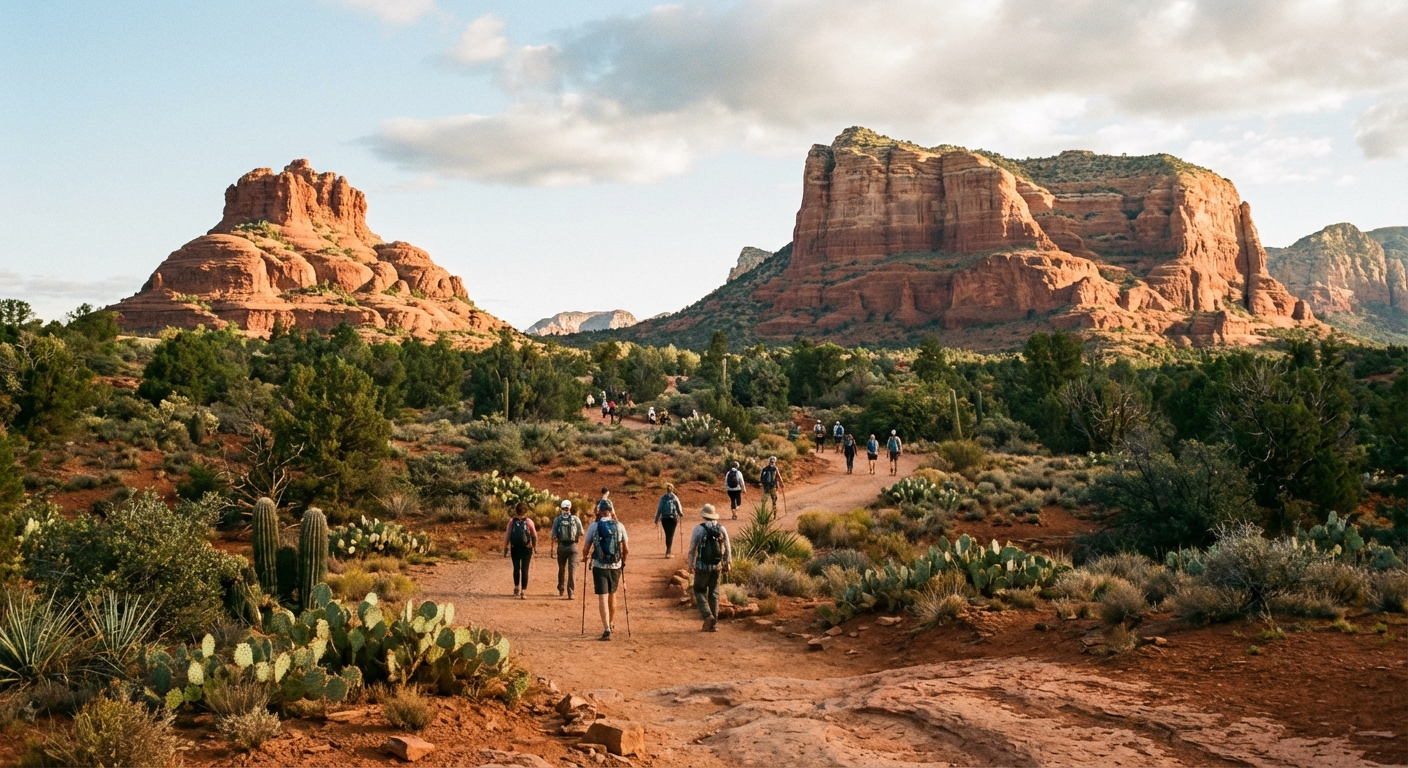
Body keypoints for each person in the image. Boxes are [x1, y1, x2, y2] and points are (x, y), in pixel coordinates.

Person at [583, 505, 629, 641]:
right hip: (616, 566)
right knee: (612, 594)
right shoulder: (619, 525)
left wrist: (584, 557)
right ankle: (611, 622)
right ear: (611, 513)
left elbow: (586, 548)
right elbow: (626, 549)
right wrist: (623, 563)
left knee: (602, 596)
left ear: (599, 513)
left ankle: (606, 628)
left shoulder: (594, 526)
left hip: (599, 565)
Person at [687, 504, 732, 632]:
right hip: (716, 566)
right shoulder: (721, 529)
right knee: (714, 593)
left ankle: (708, 616)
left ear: (704, 516)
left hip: (702, 565)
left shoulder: (699, 529)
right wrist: (727, 563)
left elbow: (692, 549)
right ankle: (714, 623)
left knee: (699, 590)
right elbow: (727, 547)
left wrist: (691, 565)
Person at [502, 502, 537, 599]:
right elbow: (534, 535)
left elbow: (507, 535)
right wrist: (534, 547)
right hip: (526, 549)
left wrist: (505, 548)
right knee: (525, 569)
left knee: (516, 568)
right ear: (526, 511)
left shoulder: (512, 522)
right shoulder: (529, 522)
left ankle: (516, 588)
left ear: (516, 510)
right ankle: (523, 591)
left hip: (515, 548)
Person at [550, 499, 583, 599]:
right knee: (572, 570)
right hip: (573, 547)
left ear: (561, 508)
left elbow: (553, 535)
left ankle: (561, 588)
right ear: (570, 508)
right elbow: (581, 532)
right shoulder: (575, 519)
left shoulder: (557, 520)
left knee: (561, 568)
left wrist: (552, 548)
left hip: (561, 546)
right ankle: (571, 592)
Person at [654, 483, 683, 557]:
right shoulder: (675, 497)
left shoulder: (663, 498)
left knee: (667, 534)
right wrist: (680, 513)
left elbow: (659, 509)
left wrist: (656, 519)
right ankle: (668, 551)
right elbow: (678, 506)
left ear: (666, 489)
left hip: (665, 518)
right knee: (671, 534)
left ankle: (668, 549)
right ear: (672, 489)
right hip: (673, 518)